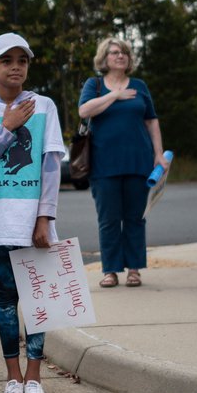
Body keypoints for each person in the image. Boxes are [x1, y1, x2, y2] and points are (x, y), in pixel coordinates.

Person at [0, 32, 65, 393]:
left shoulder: (45, 106)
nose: (16, 67)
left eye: (22, 60)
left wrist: (45, 217)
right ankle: (13, 379)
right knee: (6, 299)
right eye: (7, 61)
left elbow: (52, 165)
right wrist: (6, 128)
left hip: (33, 220)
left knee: (38, 300)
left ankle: (35, 379)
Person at [78, 37, 168, 289]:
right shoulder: (94, 84)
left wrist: (158, 154)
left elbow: (152, 121)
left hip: (138, 161)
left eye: (124, 53)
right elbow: (84, 111)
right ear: (104, 59)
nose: (120, 56)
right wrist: (116, 95)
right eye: (114, 52)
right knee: (108, 219)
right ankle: (110, 270)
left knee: (135, 218)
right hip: (103, 164)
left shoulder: (139, 86)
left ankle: (134, 269)